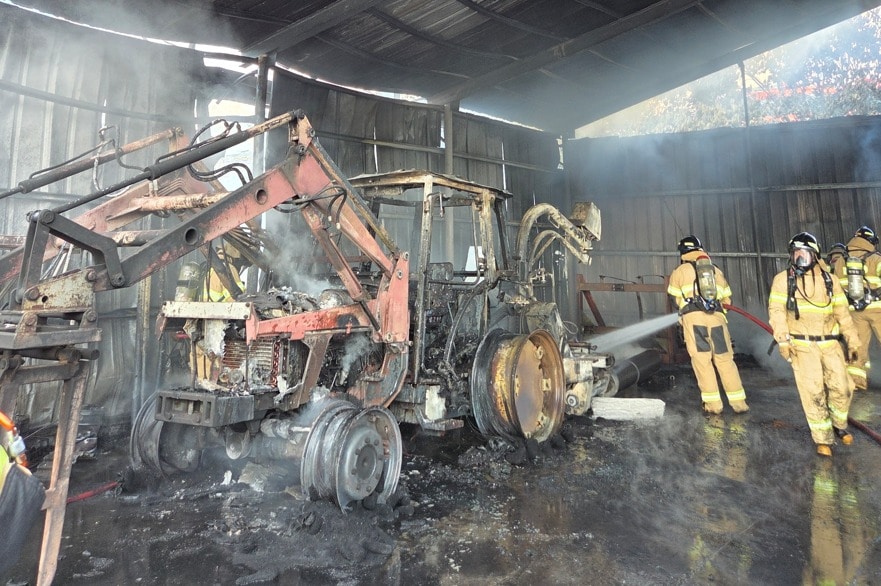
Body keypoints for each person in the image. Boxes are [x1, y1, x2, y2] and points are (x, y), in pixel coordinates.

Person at [768, 232, 860, 457]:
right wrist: (783, 340)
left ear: (815, 255)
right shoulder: (783, 280)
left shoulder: (830, 280)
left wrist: (853, 341)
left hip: (830, 344)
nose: (800, 257)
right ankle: (823, 439)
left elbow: (843, 314)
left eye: (804, 253)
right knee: (814, 391)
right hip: (803, 346)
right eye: (796, 253)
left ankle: (839, 426)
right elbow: (777, 311)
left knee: (843, 387)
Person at [667, 235, 749, 414]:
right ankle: (739, 404)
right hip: (717, 320)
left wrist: (686, 311)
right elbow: (728, 298)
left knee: (703, 361)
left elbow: (673, 298)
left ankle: (714, 406)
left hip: (695, 321)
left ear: (682, 253)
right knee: (725, 360)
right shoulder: (715, 271)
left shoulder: (679, 271)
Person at [835, 226, 881, 391]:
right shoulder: (876, 258)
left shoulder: (842, 260)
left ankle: (857, 383)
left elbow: (837, 285)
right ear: (870, 241)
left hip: (855, 311)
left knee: (858, 347)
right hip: (878, 309)